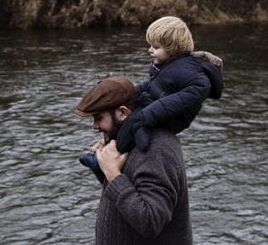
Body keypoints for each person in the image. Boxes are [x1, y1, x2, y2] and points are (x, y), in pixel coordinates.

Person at [80, 16, 223, 178]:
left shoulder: (191, 72)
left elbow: (188, 96)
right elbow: (151, 86)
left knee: (133, 122)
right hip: (156, 106)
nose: (150, 50)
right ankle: (106, 151)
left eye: (155, 47)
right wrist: (129, 94)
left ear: (172, 49)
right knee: (125, 119)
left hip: (171, 118)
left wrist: (149, 114)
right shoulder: (165, 66)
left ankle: (109, 157)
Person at [75, 76, 193, 244]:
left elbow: (150, 221)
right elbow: (131, 194)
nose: (94, 126)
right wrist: (103, 168)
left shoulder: (156, 148)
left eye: (98, 118)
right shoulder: (130, 141)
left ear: (122, 113)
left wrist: (113, 174)